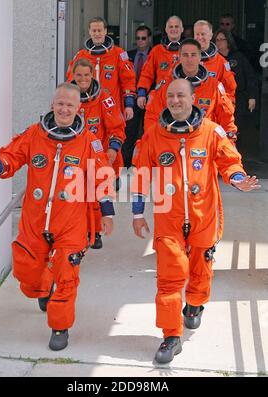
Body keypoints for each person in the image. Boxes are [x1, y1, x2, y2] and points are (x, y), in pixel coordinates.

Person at [0, 83, 115, 351]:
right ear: (53, 104)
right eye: (60, 103)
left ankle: (59, 327)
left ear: (78, 108)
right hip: (35, 219)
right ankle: (41, 287)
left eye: (70, 105)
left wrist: (106, 213)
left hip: (70, 221)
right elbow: (12, 155)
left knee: (67, 273)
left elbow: (102, 176)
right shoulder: (35, 134)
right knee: (27, 272)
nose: (64, 109)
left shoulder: (89, 140)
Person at [131, 78, 260, 364]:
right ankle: (171, 337)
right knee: (169, 277)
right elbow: (140, 174)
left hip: (204, 216)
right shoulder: (153, 134)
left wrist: (238, 180)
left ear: (193, 99)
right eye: (171, 96)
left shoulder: (211, 131)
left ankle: (195, 304)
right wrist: (138, 214)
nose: (175, 101)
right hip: (169, 220)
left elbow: (230, 162)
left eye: (181, 95)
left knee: (201, 271)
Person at [71, 58, 125, 248]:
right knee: (74, 195)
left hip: (97, 154)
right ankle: (77, 230)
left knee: (96, 195)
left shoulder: (104, 97)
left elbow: (117, 127)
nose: (83, 79)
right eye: (79, 75)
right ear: (73, 76)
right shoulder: (67, 96)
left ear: (92, 75)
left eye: (86, 75)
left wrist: (112, 149)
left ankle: (94, 231)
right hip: (73, 153)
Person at [144, 38, 238, 144]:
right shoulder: (166, 86)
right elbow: (152, 117)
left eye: (193, 55)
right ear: (179, 57)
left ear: (199, 57)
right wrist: (154, 142)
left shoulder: (214, 86)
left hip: (204, 143)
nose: (189, 60)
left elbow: (226, 118)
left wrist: (229, 141)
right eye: (185, 55)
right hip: (171, 143)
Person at [66, 17, 136, 122]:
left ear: (105, 31)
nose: (97, 34)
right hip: (88, 107)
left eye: (100, 30)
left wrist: (129, 105)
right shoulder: (81, 56)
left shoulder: (119, 53)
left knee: (114, 133)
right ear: (89, 32)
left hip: (111, 106)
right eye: (94, 31)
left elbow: (128, 80)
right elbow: (71, 82)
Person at [214, 29, 259, 154]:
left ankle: (234, 156)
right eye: (216, 40)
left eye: (221, 40)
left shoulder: (239, 57)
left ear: (228, 41)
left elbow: (250, 77)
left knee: (236, 128)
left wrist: (252, 97)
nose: (218, 43)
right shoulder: (214, 59)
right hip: (219, 99)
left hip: (239, 98)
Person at [137, 16, 184, 110]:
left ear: (182, 29)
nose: (173, 29)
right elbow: (146, 74)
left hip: (182, 98)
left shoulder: (189, 50)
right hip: (161, 99)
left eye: (176, 26)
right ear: (166, 29)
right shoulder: (156, 51)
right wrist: (141, 94)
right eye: (171, 27)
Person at [122, 25, 152, 168]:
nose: (140, 41)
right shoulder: (128, 54)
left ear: (149, 39)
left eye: (143, 38)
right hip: (131, 99)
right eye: (138, 38)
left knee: (148, 132)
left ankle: (146, 164)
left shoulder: (154, 54)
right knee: (130, 132)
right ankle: (127, 163)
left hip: (150, 99)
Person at [194, 20, 237, 102]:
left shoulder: (221, 62)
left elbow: (230, 89)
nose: (199, 37)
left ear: (210, 36)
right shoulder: (184, 59)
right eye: (197, 34)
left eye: (203, 34)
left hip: (210, 110)